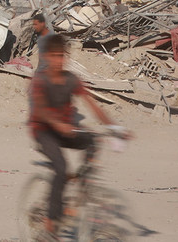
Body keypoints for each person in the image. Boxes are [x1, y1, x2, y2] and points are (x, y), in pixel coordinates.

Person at [28, 34, 117, 236]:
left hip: (66, 130)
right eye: (55, 56)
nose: (59, 60)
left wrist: (116, 128)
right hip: (43, 130)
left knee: (94, 141)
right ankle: (49, 228)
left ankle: (78, 193)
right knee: (61, 168)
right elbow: (40, 110)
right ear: (47, 57)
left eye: (62, 56)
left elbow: (92, 105)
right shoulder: (40, 80)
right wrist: (58, 124)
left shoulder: (71, 79)